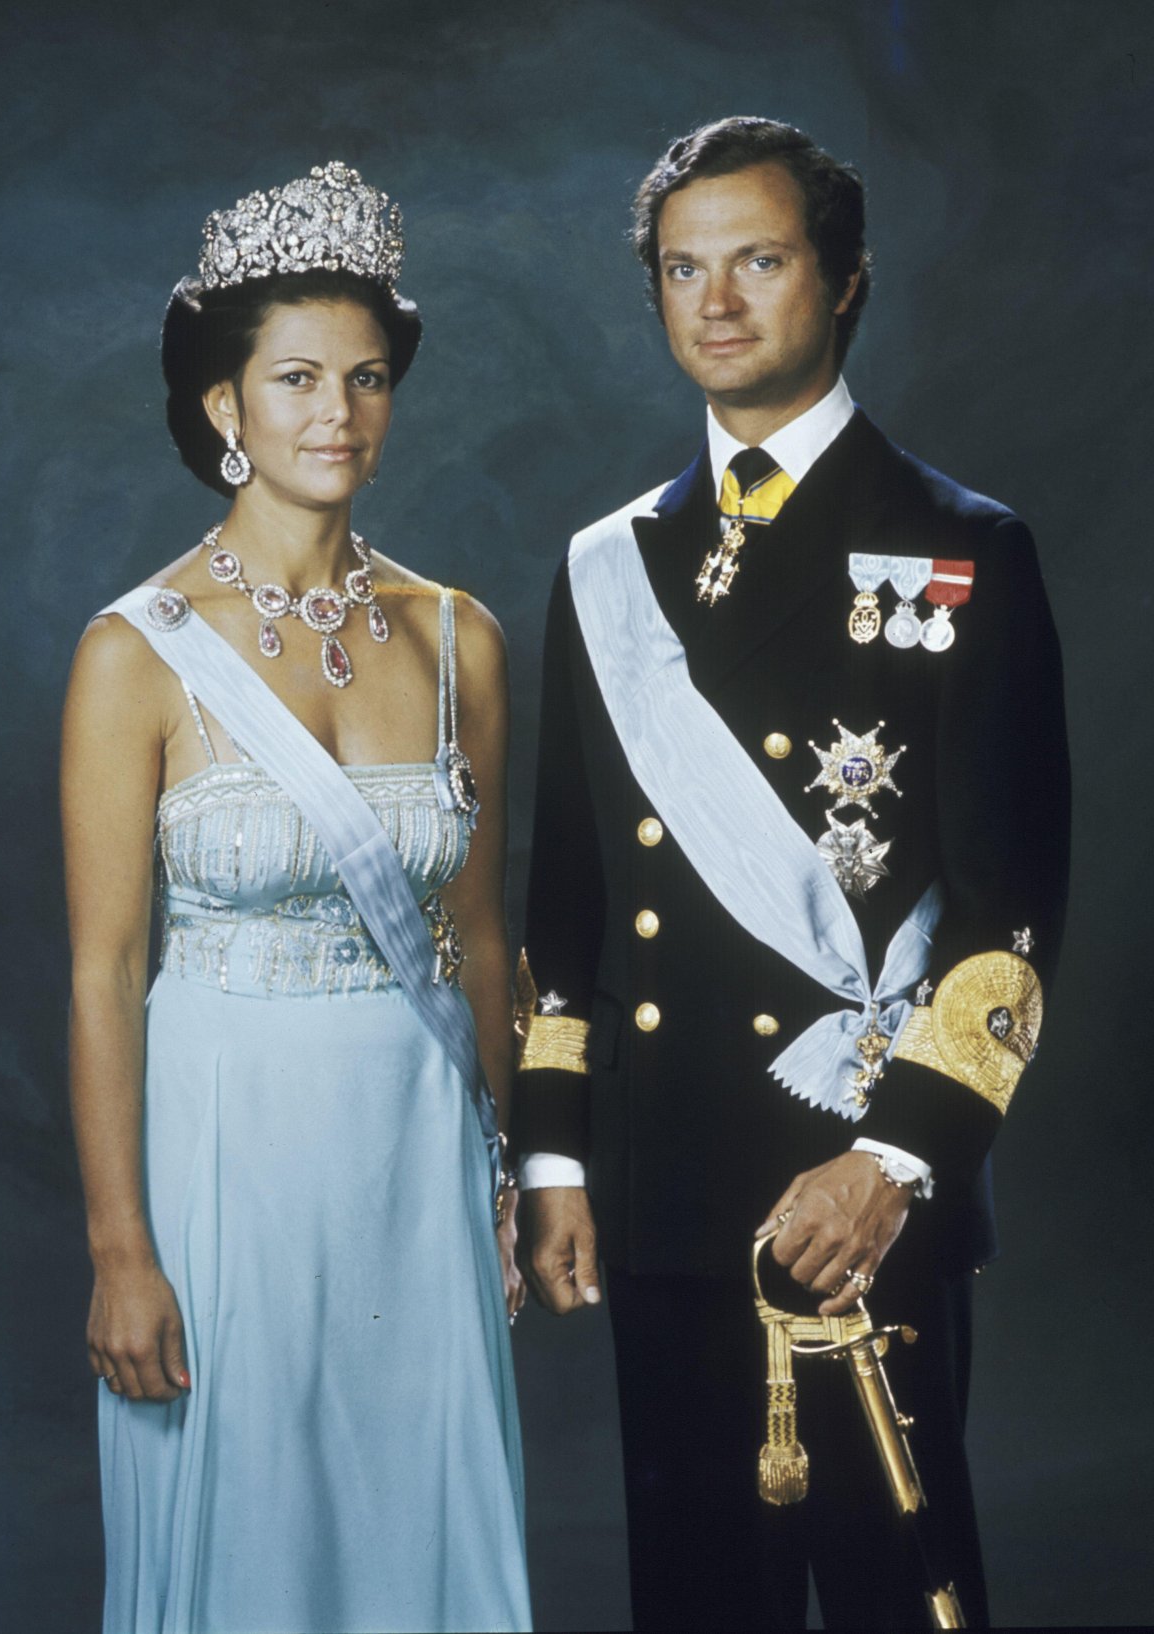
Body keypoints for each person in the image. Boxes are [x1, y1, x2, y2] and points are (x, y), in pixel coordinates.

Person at [513, 117, 1069, 1631]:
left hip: (856, 1181)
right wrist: (554, 1156)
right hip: (663, 1182)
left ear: (845, 279)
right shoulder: (606, 565)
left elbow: (1010, 925)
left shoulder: (961, 550)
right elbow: (563, 907)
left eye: (758, 260)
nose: (717, 301)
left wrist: (892, 1163)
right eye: (684, 270)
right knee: (695, 1601)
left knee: (899, 1593)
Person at [61, 161, 531, 1634]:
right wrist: (122, 1250)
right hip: (225, 1158)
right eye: (299, 377)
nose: (338, 413)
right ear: (226, 406)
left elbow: (485, 937)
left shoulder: (460, 637)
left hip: (415, 1157)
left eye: (369, 377)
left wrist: (505, 1178)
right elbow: (101, 968)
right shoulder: (134, 653)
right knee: (253, 1541)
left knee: (418, 1531)